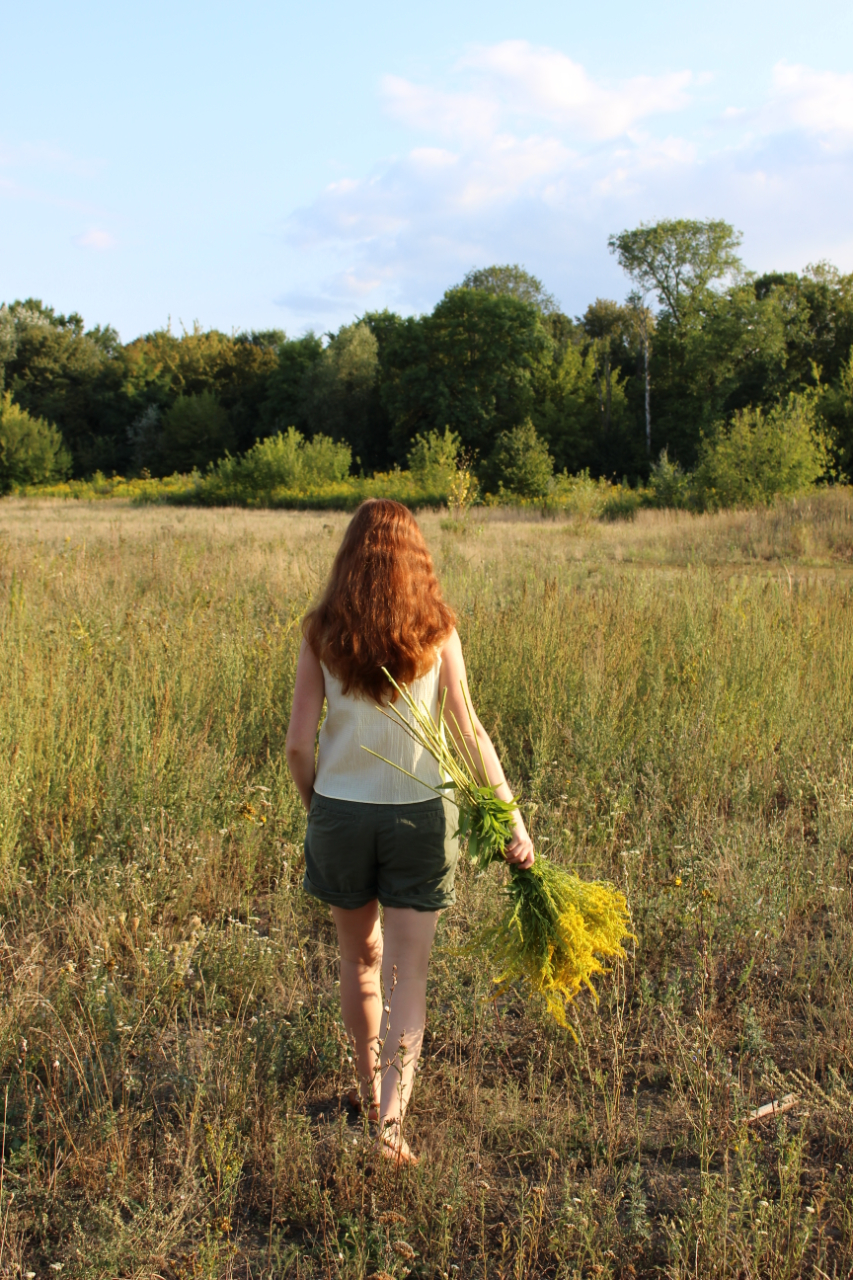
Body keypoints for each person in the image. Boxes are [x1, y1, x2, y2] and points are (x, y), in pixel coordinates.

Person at [285, 499, 534, 1165]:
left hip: (340, 812)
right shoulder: (437, 630)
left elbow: (296, 746)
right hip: (420, 817)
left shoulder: (322, 632)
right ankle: (390, 1126)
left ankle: (369, 1092)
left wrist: (319, 804)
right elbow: (469, 730)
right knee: (408, 975)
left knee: (358, 961)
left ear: (350, 558)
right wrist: (511, 819)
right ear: (415, 557)